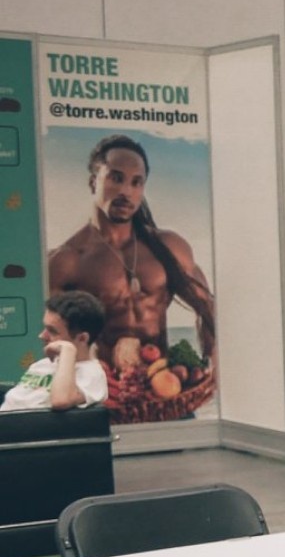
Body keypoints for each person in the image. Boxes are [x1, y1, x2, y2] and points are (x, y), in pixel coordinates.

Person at [47, 134, 216, 388]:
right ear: (93, 182)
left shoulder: (168, 247)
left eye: (136, 182)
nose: (126, 191)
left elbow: (207, 307)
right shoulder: (67, 260)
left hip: (163, 387)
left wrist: (212, 363)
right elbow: (52, 338)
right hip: (105, 391)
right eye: (116, 178)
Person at [1, 291, 108, 412]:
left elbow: (61, 401)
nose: (42, 336)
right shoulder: (42, 364)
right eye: (45, 328)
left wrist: (68, 350)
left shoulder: (92, 375)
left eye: (52, 331)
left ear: (82, 338)